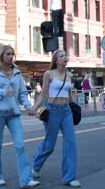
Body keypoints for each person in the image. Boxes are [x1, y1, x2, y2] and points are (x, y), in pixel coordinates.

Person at [0, 45, 39, 188]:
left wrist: (28, 107)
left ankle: (26, 180)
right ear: (1, 56)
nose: (10, 56)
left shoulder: (17, 73)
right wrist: (2, 92)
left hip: (14, 114)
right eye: (8, 54)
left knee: (20, 146)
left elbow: (22, 94)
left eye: (12, 54)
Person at [32, 50, 81, 188]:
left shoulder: (69, 75)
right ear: (56, 60)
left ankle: (69, 177)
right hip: (52, 110)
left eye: (66, 56)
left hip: (66, 111)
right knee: (49, 144)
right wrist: (34, 107)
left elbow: (69, 94)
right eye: (61, 56)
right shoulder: (49, 74)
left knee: (70, 143)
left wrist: (76, 108)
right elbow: (43, 94)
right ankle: (36, 166)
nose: (65, 58)